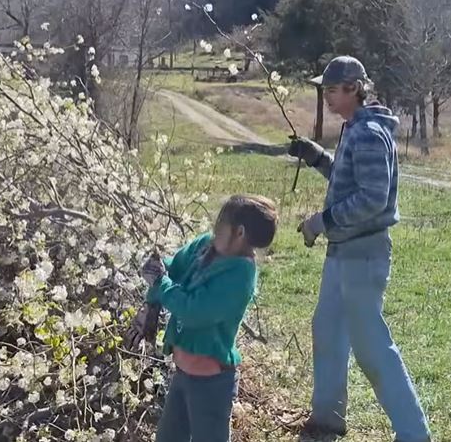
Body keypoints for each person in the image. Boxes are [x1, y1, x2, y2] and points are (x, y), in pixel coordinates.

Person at [288, 56, 430, 442]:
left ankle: (415, 434)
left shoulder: (367, 132)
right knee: (328, 329)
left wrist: (321, 221)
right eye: (326, 90)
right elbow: (349, 177)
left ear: (354, 88)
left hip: (363, 254)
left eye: (333, 90)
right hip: (342, 254)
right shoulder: (356, 128)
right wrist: (316, 156)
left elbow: (371, 198)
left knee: (371, 347)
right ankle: (327, 420)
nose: (328, 97)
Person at [131, 194, 279, 442]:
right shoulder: (205, 246)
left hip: (211, 385)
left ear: (239, 232)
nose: (215, 229)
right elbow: (172, 267)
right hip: (183, 374)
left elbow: (194, 312)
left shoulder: (241, 275)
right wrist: (152, 299)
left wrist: (160, 284)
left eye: (221, 224)